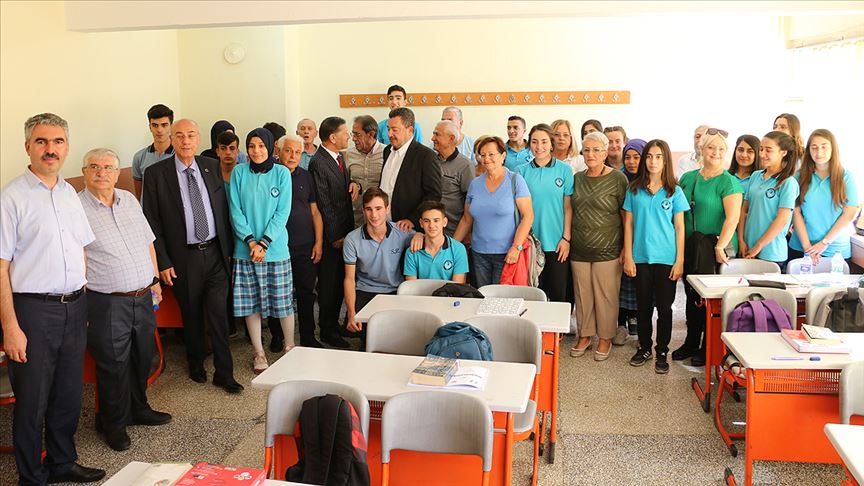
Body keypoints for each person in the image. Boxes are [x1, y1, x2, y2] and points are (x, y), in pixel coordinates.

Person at [0, 113, 106, 485]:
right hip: (33, 311)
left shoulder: (68, 193)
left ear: (67, 147)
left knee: (68, 393)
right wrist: (10, 327)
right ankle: (32, 476)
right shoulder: (11, 197)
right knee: (32, 400)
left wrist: (82, 299)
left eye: (58, 141)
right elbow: (1, 266)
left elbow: (81, 249)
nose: (50, 149)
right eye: (42, 142)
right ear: (27, 146)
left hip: (74, 306)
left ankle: (63, 462)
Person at [78, 148, 172, 451]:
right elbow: (77, 257)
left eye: (108, 167)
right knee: (113, 365)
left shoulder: (129, 200)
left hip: (142, 296)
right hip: (106, 302)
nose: (102, 172)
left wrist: (155, 280)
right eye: (94, 166)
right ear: (85, 171)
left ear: (118, 173)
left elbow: (148, 242)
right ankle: (113, 423)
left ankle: (138, 409)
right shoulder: (76, 208)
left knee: (143, 356)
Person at [141, 118, 243, 393]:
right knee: (192, 314)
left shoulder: (211, 166)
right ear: (172, 139)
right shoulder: (156, 174)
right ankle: (195, 363)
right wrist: (163, 261)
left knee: (219, 315)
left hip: (215, 253)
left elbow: (224, 210)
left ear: (198, 139)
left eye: (191, 135)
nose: (186, 141)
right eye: (180, 136)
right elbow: (151, 222)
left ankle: (225, 372)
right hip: (183, 258)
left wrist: (229, 251)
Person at [228, 128, 294, 374]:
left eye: (261, 146)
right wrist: (250, 242)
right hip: (245, 250)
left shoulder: (282, 173)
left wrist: (264, 243)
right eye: (251, 146)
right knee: (251, 304)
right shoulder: (239, 172)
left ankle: (290, 347)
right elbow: (235, 211)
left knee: (283, 302)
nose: (256, 151)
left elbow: (282, 212)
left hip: (275, 250)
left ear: (270, 147)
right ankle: (258, 352)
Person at [675, 128, 742, 366]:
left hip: (715, 249)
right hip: (691, 246)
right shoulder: (688, 178)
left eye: (721, 149)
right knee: (691, 296)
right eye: (711, 147)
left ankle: (708, 346)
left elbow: (732, 219)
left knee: (708, 299)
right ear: (701, 149)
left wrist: (719, 247)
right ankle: (691, 341)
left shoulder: (729, 182)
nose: (716, 152)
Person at [622, 140, 688, 374]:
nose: (653, 161)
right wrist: (628, 256)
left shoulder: (674, 191)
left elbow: (680, 228)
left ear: (665, 160)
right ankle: (644, 347)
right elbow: (628, 225)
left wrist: (680, 260)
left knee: (665, 308)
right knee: (643, 307)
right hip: (640, 257)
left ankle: (662, 350)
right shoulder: (634, 190)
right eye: (649, 156)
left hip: (666, 259)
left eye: (658, 156)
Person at [569, 131, 628, 362]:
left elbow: (626, 216)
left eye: (596, 150)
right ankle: (585, 335)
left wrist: (625, 248)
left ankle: (605, 337)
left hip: (608, 248)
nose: (590, 154)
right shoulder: (577, 178)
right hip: (579, 247)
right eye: (587, 150)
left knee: (606, 296)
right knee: (582, 295)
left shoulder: (618, 179)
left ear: (605, 153)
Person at [454, 136, 533, 287]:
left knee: (501, 297)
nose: (486, 159)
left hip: (507, 254)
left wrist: (516, 247)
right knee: (482, 295)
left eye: (491, 154)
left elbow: (528, 216)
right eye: (482, 155)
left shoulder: (516, 180)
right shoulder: (475, 184)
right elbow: (466, 220)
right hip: (478, 253)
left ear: (503, 156)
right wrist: (452, 247)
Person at [308, 116, 359, 348]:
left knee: (340, 281)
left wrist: (355, 184)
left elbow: (341, 188)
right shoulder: (318, 163)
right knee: (328, 285)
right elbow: (323, 203)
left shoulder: (338, 157)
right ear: (332, 137)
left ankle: (334, 323)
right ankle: (327, 330)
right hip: (331, 236)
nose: (349, 136)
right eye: (345, 133)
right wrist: (336, 235)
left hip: (344, 231)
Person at [343, 188, 413, 347]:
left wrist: (420, 236)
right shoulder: (352, 239)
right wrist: (351, 313)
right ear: (363, 210)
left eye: (378, 208)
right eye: (369, 209)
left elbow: (426, 238)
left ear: (387, 209)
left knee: (397, 333)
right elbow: (349, 279)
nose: (374, 215)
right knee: (364, 330)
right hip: (365, 290)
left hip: (394, 290)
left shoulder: (402, 232)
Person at [516, 124, 573, 302]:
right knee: (534, 296)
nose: (539, 146)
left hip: (557, 244)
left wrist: (566, 239)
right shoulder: (521, 171)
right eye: (534, 142)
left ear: (551, 144)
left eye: (544, 142)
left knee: (558, 295)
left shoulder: (564, 170)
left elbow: (568, 208)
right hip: (531, 243)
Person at [278, 134, 325, 348]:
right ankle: (278, 336)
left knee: (306, 292)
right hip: (278, 247)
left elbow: (315, 212)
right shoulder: (272, 175)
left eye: (297, 152)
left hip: (305, 245)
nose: (293, 156)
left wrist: (318, 242)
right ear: (279, 151)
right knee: (279, 293)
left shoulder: (306, 177)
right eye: (288, 150)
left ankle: (308, 336)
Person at [789, 129, 859, 265]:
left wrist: (824, 242)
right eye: (814, 147)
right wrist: (807, 247)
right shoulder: (799, 176)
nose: (819, 152)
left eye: (824, 147)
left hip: (835, 250)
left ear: (833, 149)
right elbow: (795, 212)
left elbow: (849, 214)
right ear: (809, 150)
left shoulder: (846, 176)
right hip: (801, 247)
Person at [739, 131, 800, 269]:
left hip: (771, 253)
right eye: (761, 149)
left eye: (768, 150)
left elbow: (782, 220)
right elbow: (744, 210)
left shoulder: (788, 183)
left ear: (783, 152)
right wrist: (741, 240)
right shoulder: (755, 176)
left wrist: (759, 246)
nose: (762, 154)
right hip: (747, 248)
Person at [380, 107, 442, 232]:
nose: (389, 134)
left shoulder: (426, 156)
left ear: (410, 130)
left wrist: (413, 220)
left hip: (408, 229)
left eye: (394, 130)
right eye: (388, 129)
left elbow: (433, 195)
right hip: (384, 225)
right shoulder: (387, 151)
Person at [614, 138, 647, 344]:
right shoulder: (619, 178)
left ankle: (637, 320)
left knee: (639, 283)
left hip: (642, 239)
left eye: (637, 157)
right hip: (620, 236)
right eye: (628, 157)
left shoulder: (651, 180)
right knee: (621, 283)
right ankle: (620, 324)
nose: (632, 162)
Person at [403, 200, 469, 282]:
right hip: (421, 291)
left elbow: (457, 286)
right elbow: (411, 287)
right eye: (426, 221)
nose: (431, 225)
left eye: (436, 220)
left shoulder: (458, 249)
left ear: (444, 222)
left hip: (450, 291)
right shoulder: (412, 252)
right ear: (421, 223)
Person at [431, 119, 474, 236]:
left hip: (453, 233)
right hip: (429, 229)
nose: (432, 138)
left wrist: (465, 234)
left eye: (437, 134)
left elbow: (471, 202)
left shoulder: (465, 165)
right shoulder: (430, 160)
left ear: (451, 138)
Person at [346, 114, 385, 226]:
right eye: (353, 134)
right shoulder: (349, 154)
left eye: (357, 135)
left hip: (380, 219)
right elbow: (346, 180)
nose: (353, 139)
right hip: (356, 218)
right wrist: (352, 182)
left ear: (371, 134)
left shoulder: (387, 153)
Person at [132, 103, 175, 198]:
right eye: (155, 125)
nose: (159, 130)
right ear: (150, 127)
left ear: (171, 126)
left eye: (164, 125)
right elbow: (140, 195)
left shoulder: (180, 156)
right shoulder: (139, 157)